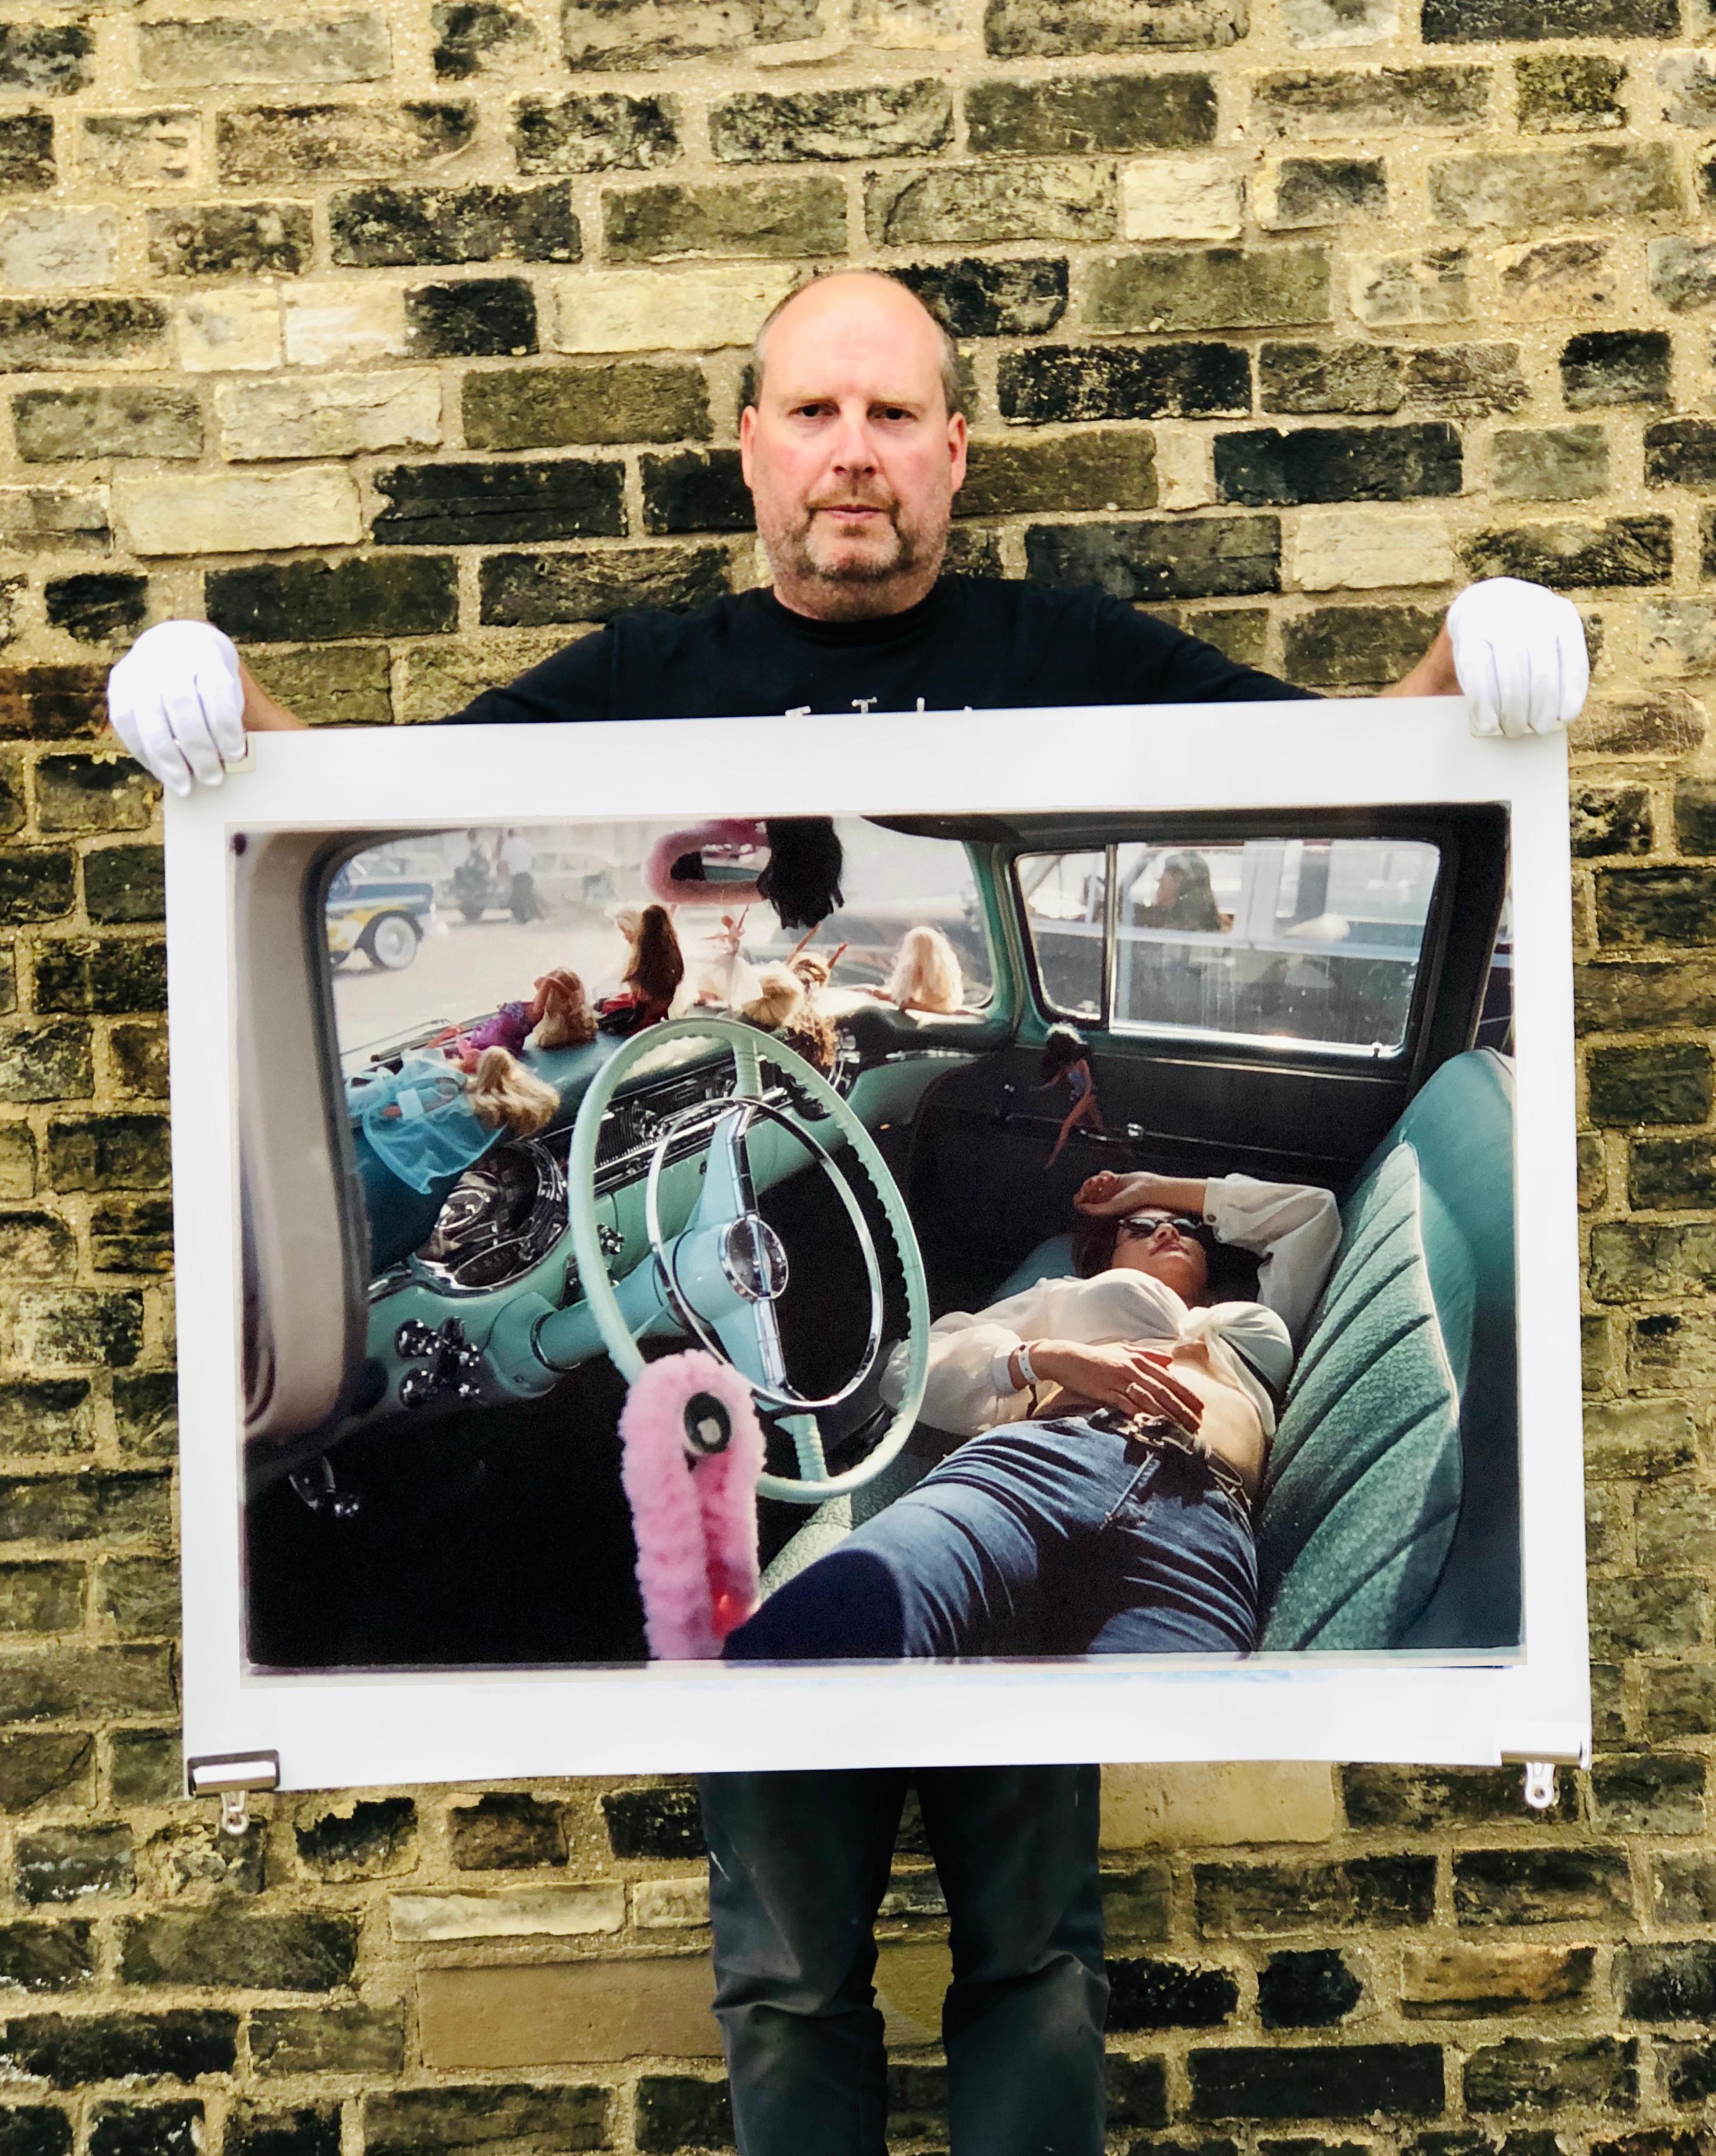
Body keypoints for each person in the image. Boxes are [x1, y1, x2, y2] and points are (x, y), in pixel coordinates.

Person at [105, 268, 1589, 2156]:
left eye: (892, 414)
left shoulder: (1067, 649)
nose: (853, 453)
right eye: (814, 411)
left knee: (1031, 1952)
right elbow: (332, 822)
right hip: (959, 1450)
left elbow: (1346, 770)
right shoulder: (644, 684)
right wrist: (225, 713)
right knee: (787, 1969)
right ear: (750, 446)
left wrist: (1469, 673)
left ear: (953, 448)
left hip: (1043, 1464)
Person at [724, 1168, 1339, 1662]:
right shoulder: (1061, 1296)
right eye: (1140, 1227)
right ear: (1104, 1262)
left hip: (1200, 1513)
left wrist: (1151, 1187)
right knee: (819, 1633)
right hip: (1041, 1464)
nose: (1165, 1230)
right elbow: (905, 1370)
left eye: (1180, 1225)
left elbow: (1311, 1214)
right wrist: (1040, 1358)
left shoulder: (1259, 1311)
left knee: (1161, 1769)